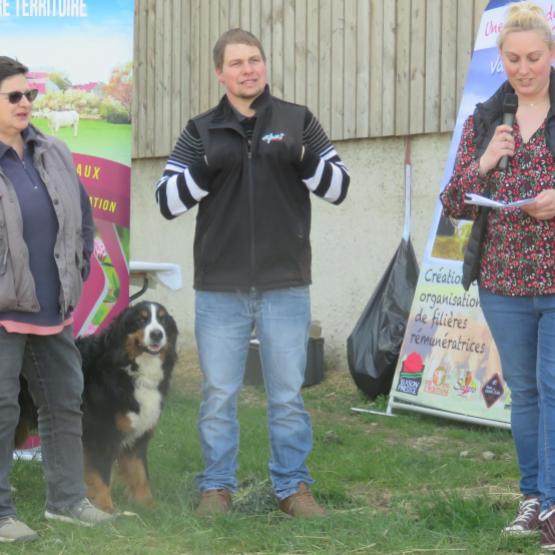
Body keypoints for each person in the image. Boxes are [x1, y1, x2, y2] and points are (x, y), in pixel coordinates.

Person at [156, 28, 349, 518]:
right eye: (237, 63)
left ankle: (292, 489)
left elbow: (339, 186)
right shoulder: (200, 129)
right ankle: (217, 488)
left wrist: (303, 158)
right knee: (219, 394)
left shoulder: (297, 120)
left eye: (255, 60)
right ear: (220, 72)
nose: (249, 70)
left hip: (284, 282)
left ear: (264, 65)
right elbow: (166, 201)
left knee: (286, 395)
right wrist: (204, 169)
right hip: (220, 287)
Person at [440, 2, 555, 550]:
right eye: (513, 59)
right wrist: (483, 161)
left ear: (551, 55)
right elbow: (454, 202)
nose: (524, 68)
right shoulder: (485, 119)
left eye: (534, 57)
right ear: (500, 59)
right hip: (503, 282)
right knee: (527, 393)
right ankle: (532, 498)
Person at [0, 56, 114, 542]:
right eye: (14, 96)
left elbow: (83, 221)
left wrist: (75, 272)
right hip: (4, 312)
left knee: (65, 401)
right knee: (2, 409)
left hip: (53, 309)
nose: (26, 103)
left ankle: (66, 502)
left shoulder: (53, 151)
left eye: (30, 95)